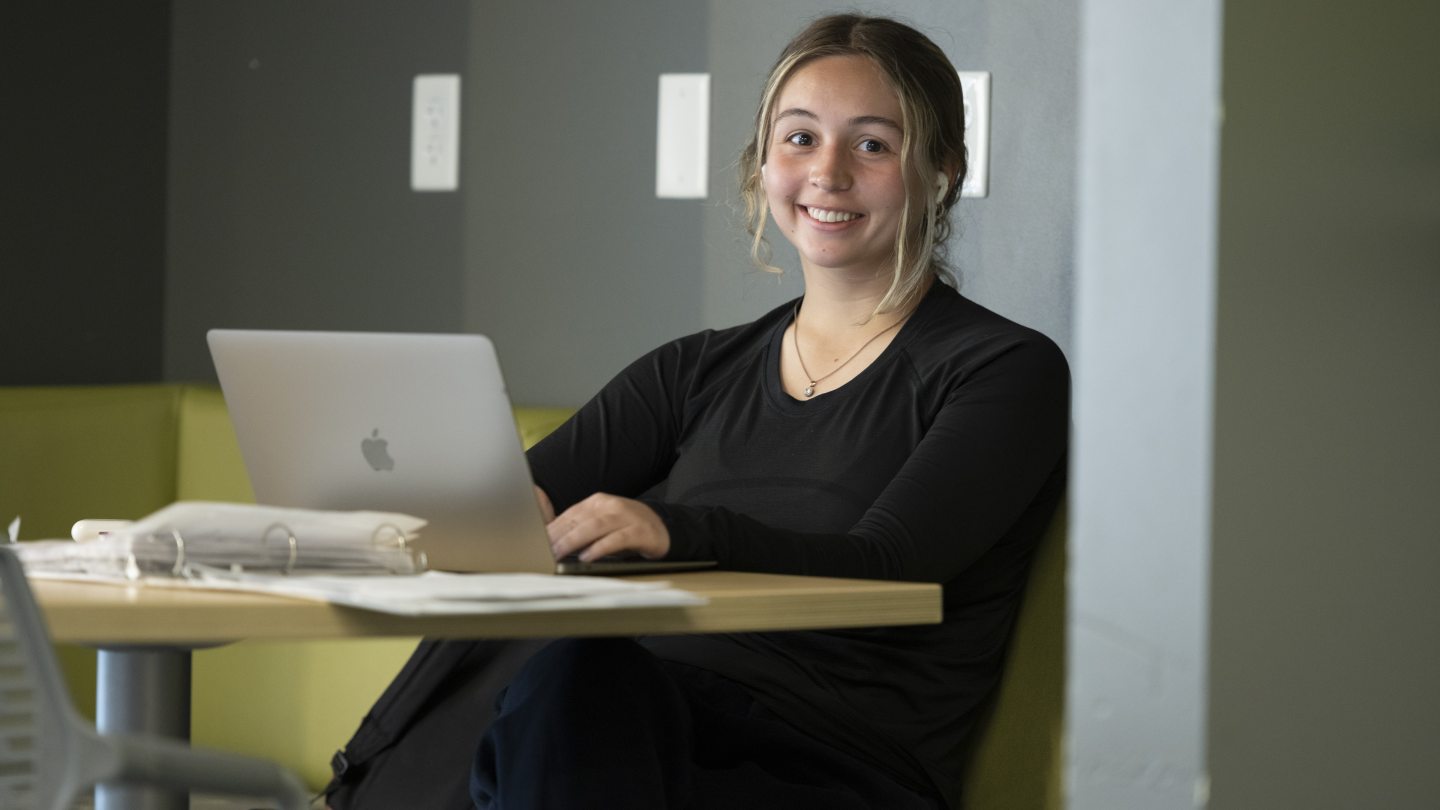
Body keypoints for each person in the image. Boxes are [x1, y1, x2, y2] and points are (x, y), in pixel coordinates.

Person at [470, 13, 1069, 810]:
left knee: (560, 699)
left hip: (830, 760)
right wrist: (505, 514)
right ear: (762, 167)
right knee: (561, 674)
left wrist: (678, 530)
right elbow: (503, 504)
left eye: (872, 144)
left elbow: (890, 564)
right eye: (798, 138)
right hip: (645, 728)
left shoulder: (1002, 372)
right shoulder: (695, 368)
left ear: (942, 172)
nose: (828, 172)